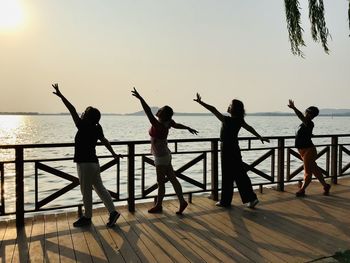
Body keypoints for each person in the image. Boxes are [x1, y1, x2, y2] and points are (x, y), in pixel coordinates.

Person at [52, 83, 122, 227]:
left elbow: (71, 109)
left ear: (88, 116)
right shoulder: (97, 127)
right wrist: (114, 154)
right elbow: (105, 141)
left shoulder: (82, 125)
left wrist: (61, 96)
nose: (82, 113)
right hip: (94, 164)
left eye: (84, 112)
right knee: (100, 188)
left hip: (84, 164)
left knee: (86, 191)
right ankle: (113, 212)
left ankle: (87, 217)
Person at [194, 93, 269, 208]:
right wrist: (260, 137)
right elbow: (250, 128)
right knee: (240, 174)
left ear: (233, 109)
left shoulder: (227, 120)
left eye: (230, 105)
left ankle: (226, 201)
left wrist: (201, 102)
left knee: (228, 174)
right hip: (235, 148)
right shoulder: (239, 120)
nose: (228, 106)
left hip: (226, 148)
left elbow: (213, 109)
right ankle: (250, 198)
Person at [131, 87, 198, 214]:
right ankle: (182, 201)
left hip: (161, 156)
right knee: (172, 179)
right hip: (165, 154)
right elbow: (177, 125)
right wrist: (188, 127)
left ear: (162, 113)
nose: (159, 109)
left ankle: (159, 205)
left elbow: (148, 112)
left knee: (161, 182)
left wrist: (140, 98)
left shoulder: (159, 125)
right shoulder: (168, 123)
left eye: (160, 109)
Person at [287, 99, 331, 197]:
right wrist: (310, 134)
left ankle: (302, 190)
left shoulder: (308, 122)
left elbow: (300, 116)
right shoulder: (306, 124)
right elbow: (306, 132)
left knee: (308, 171)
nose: (306, 114)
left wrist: (294, 108)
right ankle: (326, 185)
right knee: (314, 169)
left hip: (308, 150)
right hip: (302, 150)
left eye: (308, 113)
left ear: (309, 113)